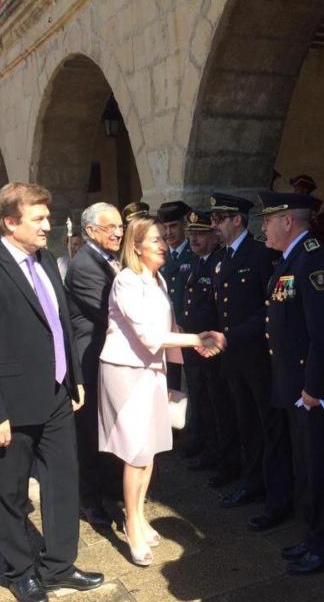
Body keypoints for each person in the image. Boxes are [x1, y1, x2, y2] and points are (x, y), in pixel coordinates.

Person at [0, 182, 103, 602]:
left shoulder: (46, 263)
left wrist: (74, 377)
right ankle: (21, 571)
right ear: (10, 222)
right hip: (10, 407)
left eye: (47, 217)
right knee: (12, 492)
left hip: (56, 396)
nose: (47, 225)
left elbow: (61, 325)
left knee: (61, 483)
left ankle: (58, 566)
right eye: (38, 219)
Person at [98, 216, 223, 567]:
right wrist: (199, 339)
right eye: (154, 240)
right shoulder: (126, 281)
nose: (163, 245)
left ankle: (137, 514)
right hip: (126, 372)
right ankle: (132, 525)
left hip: (153, 371)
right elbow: (149, 337)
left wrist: (177, 376)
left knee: (149, 450)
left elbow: (168, 329)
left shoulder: (158, 278)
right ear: (136, 246)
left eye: (162, 240)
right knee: (135, 452)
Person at [256, 191, 324, 575]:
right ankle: (313, 536)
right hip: (296, 387)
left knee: (323, 469)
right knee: (307, 468)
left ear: (288, 221)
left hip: (317, 391)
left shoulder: (316, 261)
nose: (262, 227)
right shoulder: (290, 259)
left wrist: (314, 388)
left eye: (268, 220)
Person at [210, 192, 293, 529]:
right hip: (234, 360)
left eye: (219, 219)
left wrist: (234, 335)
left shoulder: (260, 255)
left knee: (269, 428)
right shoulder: (221, 258)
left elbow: (270, 309)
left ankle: (277, 497)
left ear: (237, 220)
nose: (213, 225)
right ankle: (252, 482)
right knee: (246, 425)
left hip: (260, 358)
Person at [64, 202, 123, 527]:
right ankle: (89, 499)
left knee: (107, 427)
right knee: (88, 431)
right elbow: (111, 312)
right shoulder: (85, 265)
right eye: (110, 227)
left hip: (107, 357)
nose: (118, 232)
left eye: (120, 226)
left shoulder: (107, 258)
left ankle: (109, 486)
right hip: (90, 360)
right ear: (90, 231)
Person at [178, 210, 240, 487]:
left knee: (219, 406)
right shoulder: (194, 262)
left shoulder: (217, 262)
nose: (193, 238)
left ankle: (223, 459)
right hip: (195, 348)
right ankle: (208, 450)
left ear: (214, 237)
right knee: (202, 402)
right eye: (191, 233)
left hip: (214, 350)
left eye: (200, 233)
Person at [157, 201, 192, 399]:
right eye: (166, 228)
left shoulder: (193, 253)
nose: (169, 232)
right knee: (170, 390)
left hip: (188, 332)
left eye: (174, 226)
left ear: (184, 226)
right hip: (166, 335)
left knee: (195, 391)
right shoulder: (160, 256)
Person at [290, 175, 324, 242]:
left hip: (313, 243)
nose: (294, 192)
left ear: (305, 190)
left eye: (297, 189)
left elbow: (320, 228)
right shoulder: (295, 204)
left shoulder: (317, 205)